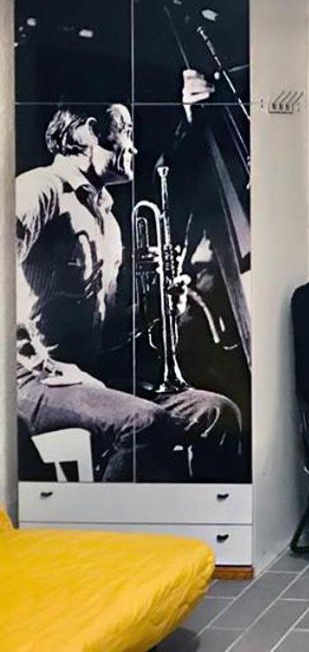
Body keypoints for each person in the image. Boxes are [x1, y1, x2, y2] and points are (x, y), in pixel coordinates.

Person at [16, 103, 241, 482]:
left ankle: (192, 516)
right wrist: (42, 363)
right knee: (143, 423)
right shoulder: (39, 189)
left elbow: (103, 323)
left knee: (218, 413)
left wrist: (159, 308)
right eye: (126, 131)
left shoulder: (107, 217)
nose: (134, 146)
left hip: (90, 374)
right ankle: (109, 521)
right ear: (91, 131)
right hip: (32, 378)